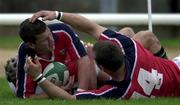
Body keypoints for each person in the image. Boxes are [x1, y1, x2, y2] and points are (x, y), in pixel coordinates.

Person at [24, 10, 180, 100]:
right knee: (135, 34)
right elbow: (91, 27)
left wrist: (38, 77)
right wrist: (58, 15)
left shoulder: (119, 92)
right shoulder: (130, 47)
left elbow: (71, 99)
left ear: (103, 68)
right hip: (175, 67)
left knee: (136, 34)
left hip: (169, 84)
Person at [15, 19, 99, 99]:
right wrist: (60, 91)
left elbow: (82, 58)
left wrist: (80, 93)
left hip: (68, 66)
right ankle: (14, 73)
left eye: (50, 34)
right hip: (38, 80)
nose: (52, 40)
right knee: (38, 90)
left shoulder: (62, 31)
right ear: (31, 45)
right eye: (45, 40)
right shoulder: (26, 55)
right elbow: (25, 96)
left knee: (97, 68)